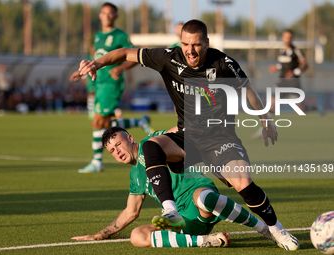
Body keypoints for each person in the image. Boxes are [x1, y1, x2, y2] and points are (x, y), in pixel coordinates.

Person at [77, 19, 299, 250]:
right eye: (185, 44)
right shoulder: (168, 57)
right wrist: (97, 63)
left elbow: (248, 89)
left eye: (196, 44)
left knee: (244, 184)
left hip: (220, 138)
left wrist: (265, 119)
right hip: (188, 136)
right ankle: (170, 210)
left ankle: (276, 229)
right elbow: (124, 53)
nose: (190, 50)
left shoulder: (223, 63)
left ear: (206, 43)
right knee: (150, 146)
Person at [71, 126, 277, 248]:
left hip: (199, 195)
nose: (117, 152)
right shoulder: (135, 177)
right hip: (182, 221)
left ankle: (264, 228)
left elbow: (177, 129)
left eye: (118, 144)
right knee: (137, 236)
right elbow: (130, 211)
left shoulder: (152, 143)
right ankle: (205, 240)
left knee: (205, 199)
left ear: (130, 139)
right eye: (112, 151)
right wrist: (101, 234)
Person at [73, 2, 152, 173]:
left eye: (110, 14)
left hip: (111, 84)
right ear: (100, 15)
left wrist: (122, 67)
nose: (107, 16)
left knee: (97, 121)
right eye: (104, 13)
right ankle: (140, 121)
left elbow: (135, 55)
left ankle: (97, 161)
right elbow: (94, 57)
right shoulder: (98, 36)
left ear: (115, 16)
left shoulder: (120, 36)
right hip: (99, 83)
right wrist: (80, 72)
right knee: (107, 124)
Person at [252, 29, 308, 139]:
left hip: (293, 82)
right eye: (286, 37)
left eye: (290, 37)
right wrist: (276, 67)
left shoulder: (296, 50)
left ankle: (317, 109)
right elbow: (284, 65)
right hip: (281, 81)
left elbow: (305, 64)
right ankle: (265, 128)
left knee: (299, 109)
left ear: (292, 39)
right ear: (282, 38)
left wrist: (295, 72)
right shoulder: (282, 50)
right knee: (271, 104)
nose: (287, 39)